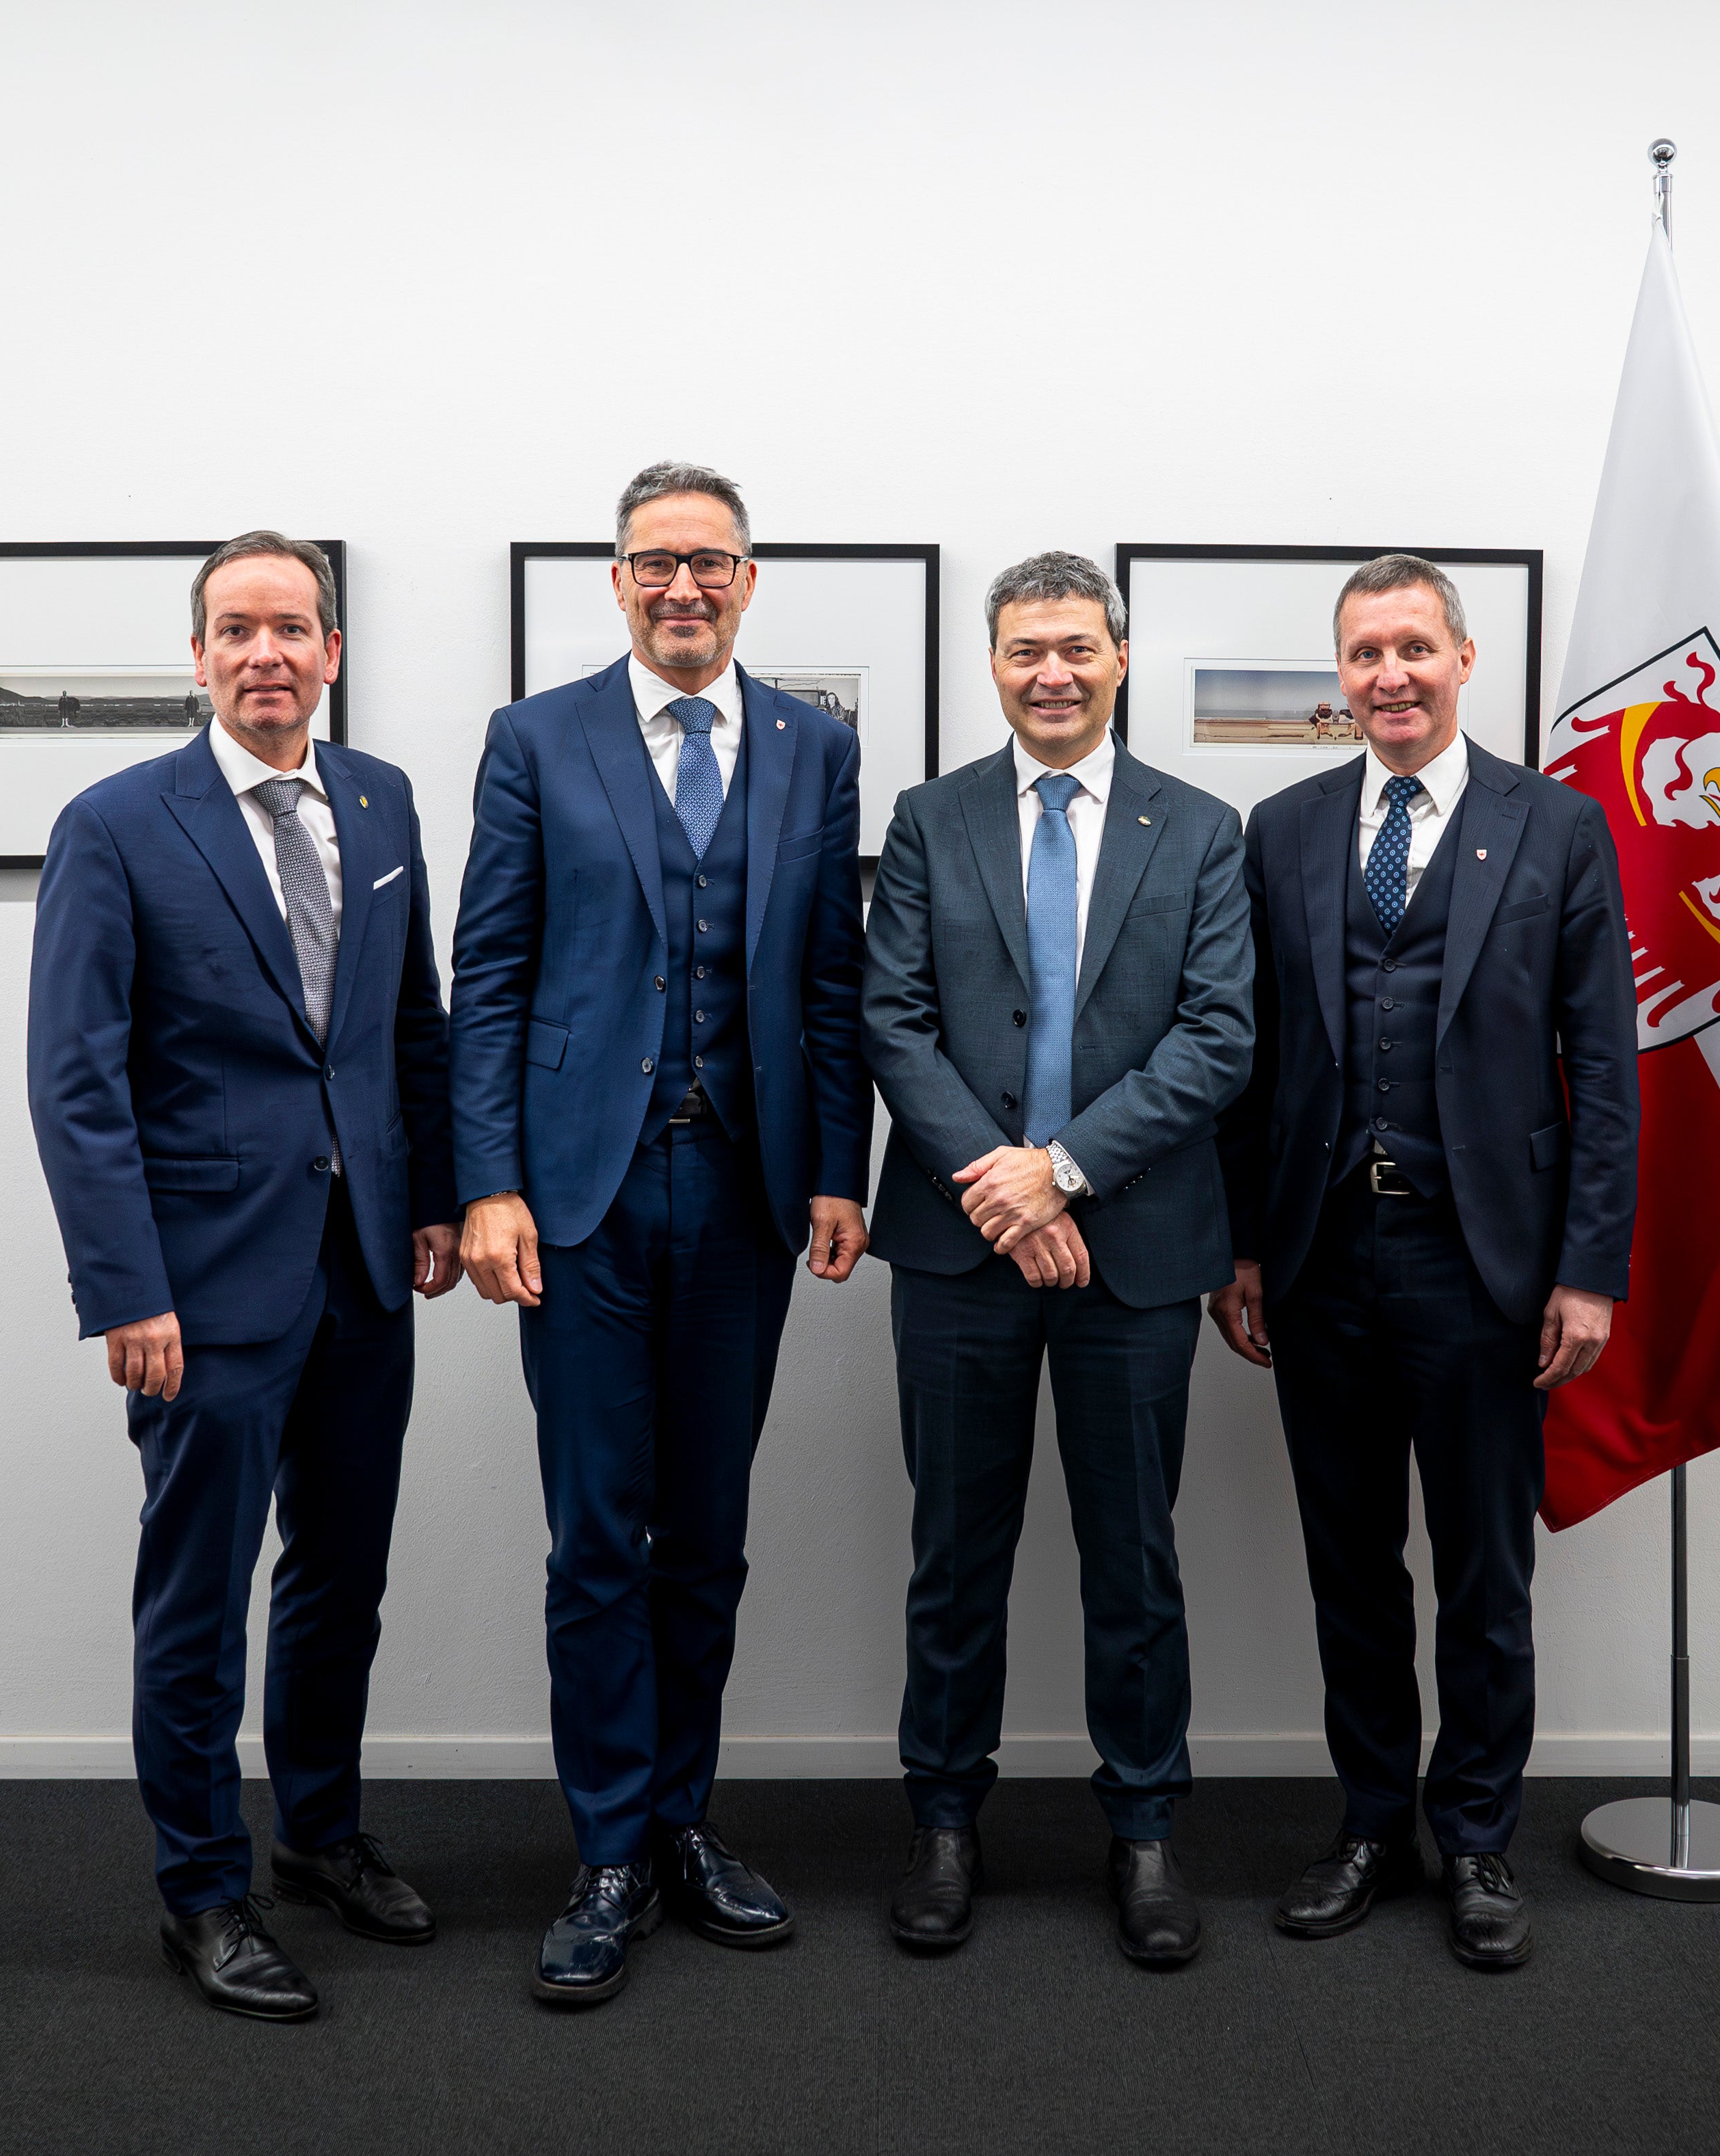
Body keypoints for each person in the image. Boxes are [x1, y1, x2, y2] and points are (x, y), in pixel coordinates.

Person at [448, 461, 872, 2007]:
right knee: (597, 1537)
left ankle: (683, 1820)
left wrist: (842, 1167)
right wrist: (486, 1178)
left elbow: (833, 975)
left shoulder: (814, 744)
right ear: (615, 580)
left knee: (707, 1533)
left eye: (710, 561)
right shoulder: (537, 736)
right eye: (652, 561)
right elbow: (486, 970)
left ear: (750, 579)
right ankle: (609, 1845)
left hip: (749, 1195)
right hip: (579, 1202)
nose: (681, 585)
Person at [27, 531, 459, 2021]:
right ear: (198, 657)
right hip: (198, 1286)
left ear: (332, 650)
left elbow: (413, 1022)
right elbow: (75, 1082)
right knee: (201, 1596)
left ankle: (322, 1833)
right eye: (236, 629)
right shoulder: (116, 822)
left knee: (343, 1575)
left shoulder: (385, 798)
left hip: (366, 1270)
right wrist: (125, 1286)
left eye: (293, 626)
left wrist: (438, 1201)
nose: (266, 651)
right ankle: (202, 1887)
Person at [1211, 554, 1638, 1971]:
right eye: (1362, 652)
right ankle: (1370, 1823)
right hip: (1326, 1256)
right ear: (1341, 676)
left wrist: (1590, 1266)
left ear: (1464, 657)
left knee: (1483, 1576)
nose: (1387, 674)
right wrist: (1247, 1246)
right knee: (1349, 1565)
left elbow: (1604, 1067)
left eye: (1412, 646)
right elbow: (1252, 1067)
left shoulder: (1558, 827)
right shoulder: (1280, 831)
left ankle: (1480, 1841)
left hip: (1487, 1266)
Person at [862, 552, 1254, 1967]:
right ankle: (945, 1821)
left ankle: (1144, 1828)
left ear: (1121, 655)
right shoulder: (930, 818)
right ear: (994, 662)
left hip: (1138, 1251)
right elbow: (893, 1018)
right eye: (1027, 648)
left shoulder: (1202, 828)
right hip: (962, 1254)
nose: (1053, 671)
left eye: (1077, 646)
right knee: (953, 1555)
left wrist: (1064, 1169)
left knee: (1134, 1560)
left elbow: (1221, 1034)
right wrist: (1006, 1193)